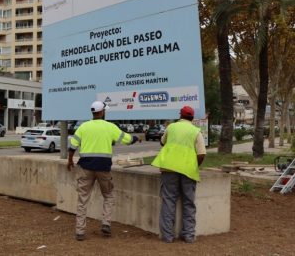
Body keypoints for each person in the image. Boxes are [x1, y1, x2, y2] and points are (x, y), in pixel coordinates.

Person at [67, 100, 140, 241]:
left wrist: (70, 160)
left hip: (85, 167)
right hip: (103, 168)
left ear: (93, 112)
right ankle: (106, 223)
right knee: (108, 195)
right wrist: (136, 138)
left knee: (82, 199)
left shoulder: (83, 127)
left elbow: (73, 146)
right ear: (102, 112)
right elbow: (127, 139)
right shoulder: (109, 127)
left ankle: (80, 232)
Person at [151, 106, 206, 243]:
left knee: (169, 201)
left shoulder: (171, 127)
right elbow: (201, 153)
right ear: (192, 118)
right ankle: (188, 236)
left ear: (180, 115)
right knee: (189, 202)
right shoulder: (196, 131)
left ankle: (167, 236)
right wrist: (194, 166)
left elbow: (162, 142)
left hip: (169, 169)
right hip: (188, 171)